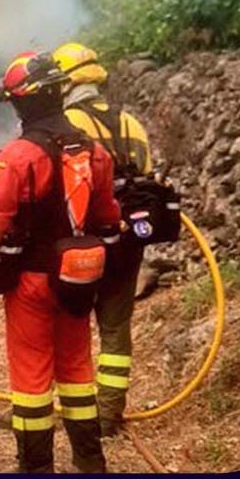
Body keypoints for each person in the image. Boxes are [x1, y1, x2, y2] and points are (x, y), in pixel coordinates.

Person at [0, 51, 120, 473]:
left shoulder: (17, 157)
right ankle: (90, 462)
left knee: (31, 377)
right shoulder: (95, 153)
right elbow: (108, 217)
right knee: (77, 367)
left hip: (31, 281)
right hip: (79, 277)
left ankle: (36, 468)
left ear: (21, 103)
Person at [52, 42, 153, 437]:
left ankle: (56, 406)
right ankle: (109, 414)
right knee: (115, 328)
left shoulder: (66, 124)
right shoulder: (131, 124)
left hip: (83, 241)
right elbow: (147, 178)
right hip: (128, 242)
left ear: (64, 84)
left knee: (66, 323)